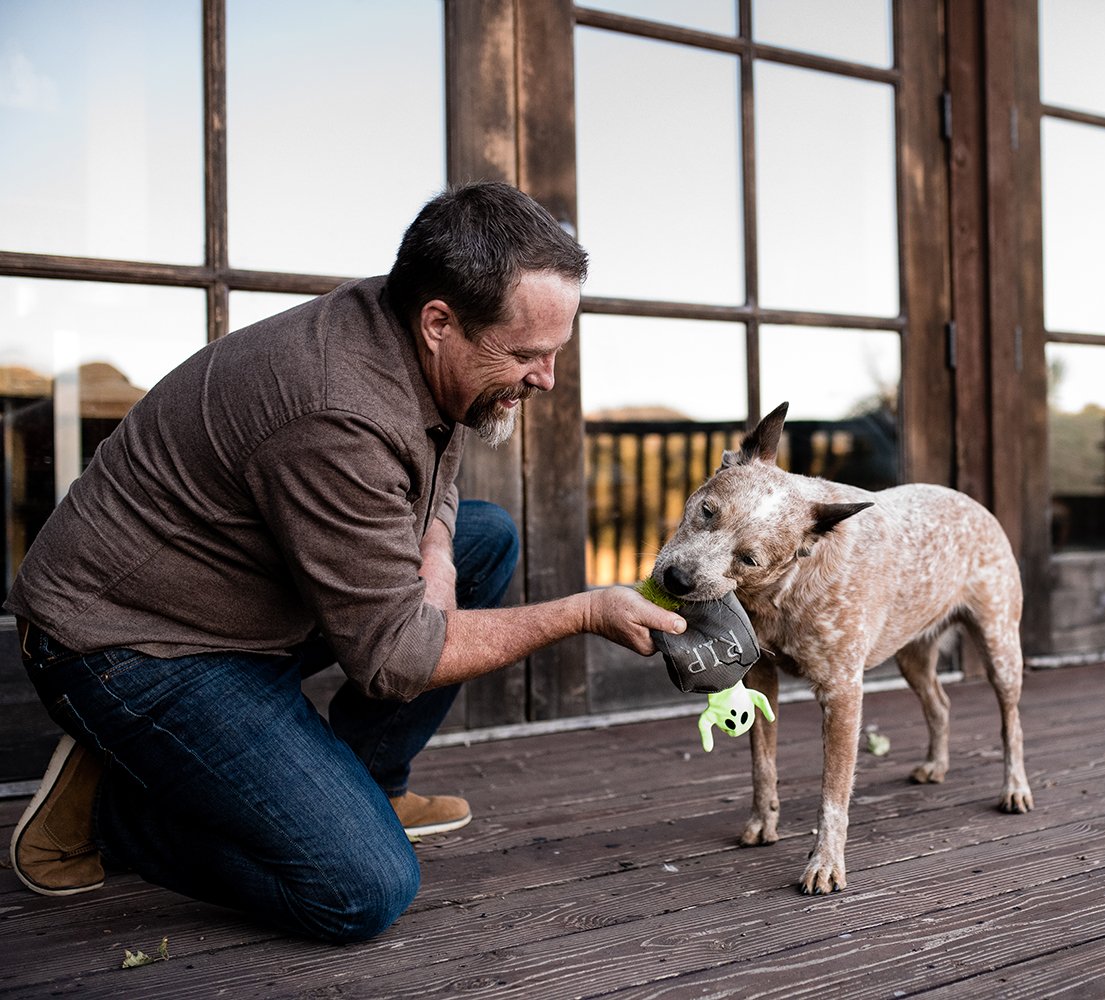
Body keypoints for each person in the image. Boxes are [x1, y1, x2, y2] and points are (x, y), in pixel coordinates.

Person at [4, 181, 686, 943]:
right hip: (132, 645)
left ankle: (366, 783)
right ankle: (115, 812)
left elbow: (436, 474)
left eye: (555, 351)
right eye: (526, 354)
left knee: (482, 537)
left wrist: (436, 552)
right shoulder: (336, 409)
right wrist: (585, 610)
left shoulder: (409, 331)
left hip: (241, 597)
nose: (546, 378)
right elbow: (396, 661)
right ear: (440, 323)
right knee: (359, 888)